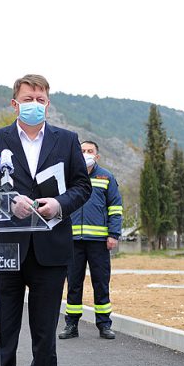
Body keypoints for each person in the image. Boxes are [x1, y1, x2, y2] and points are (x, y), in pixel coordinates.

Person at [0, 74, 91, 366]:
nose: (35, 104)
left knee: (44, 334)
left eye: (41, 99)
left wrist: (59, 204)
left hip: (50, 251)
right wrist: (9, 202)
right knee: (2, 333)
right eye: (28, 98)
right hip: (6, 249)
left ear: (48, 103)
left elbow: (82, 187)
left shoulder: (67, 141)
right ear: (14, 103)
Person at [59, 140, 123, 340]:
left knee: (101, 283)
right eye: (82, 151)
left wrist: (113, 234)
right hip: (73, 241)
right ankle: (71, 325)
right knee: (73, 284)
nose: (86, 153)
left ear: (97, 156)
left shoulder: (106, 177)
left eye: (90, 151)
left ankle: (104, 325)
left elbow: (115, 208)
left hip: (99, 242)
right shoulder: (68, 177)